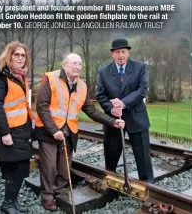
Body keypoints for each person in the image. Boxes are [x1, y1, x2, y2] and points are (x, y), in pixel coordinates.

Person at [35, 53, 125, 211]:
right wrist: (53, 129)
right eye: (74, 64)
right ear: (65, 65)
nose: (78, 67)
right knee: (49, 166)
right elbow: (41, 106)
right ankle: (47, 196)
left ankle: (58, 190)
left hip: (69, 133)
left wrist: (112, 121)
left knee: (64, 167)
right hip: (48, 131)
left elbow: (90, 110)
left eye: (80, 65)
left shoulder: (82, 86)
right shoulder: (50, 79)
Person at [0, 41, 34, 214]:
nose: (20, 58)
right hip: (8, 132)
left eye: (23, 55)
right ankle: (7, 204)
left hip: (20, 130)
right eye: (16, 54)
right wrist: (5, 133)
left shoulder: (18, 76)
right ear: (9, 55)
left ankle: (13, 202)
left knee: (20, 169)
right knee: (14, 170)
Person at [96, 38, 154, 183]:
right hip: (114, 119)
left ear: (128, 53)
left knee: (143, 155)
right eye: (117, 52)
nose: (120, 55)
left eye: (123, 52)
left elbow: (142, 90)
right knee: (111, 153)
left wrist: (123, 103)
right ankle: (111, 181)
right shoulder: (104, 72)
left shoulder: (139, 67)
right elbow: (100, 95)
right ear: (112, 54)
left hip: (137, 117)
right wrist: (111, 109)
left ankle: (148, 184)